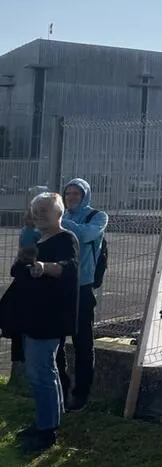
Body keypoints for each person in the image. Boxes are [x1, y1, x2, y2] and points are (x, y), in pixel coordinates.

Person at [20, 177, 107, 412]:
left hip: (82, 287)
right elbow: (29, 241)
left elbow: (86, 236)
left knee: (83, 343)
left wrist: (57, 220)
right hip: (56, 287)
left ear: (85, 195)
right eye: (67, 194)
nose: (71, 198)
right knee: (53, 342)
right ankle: (61, 390)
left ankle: (81, 394)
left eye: (76, 194)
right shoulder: (55, 219)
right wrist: (34, 222)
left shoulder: (97, 217)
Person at [10, 192, 79, 453]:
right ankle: (47, 421)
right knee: (40, 371)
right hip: (32, 315)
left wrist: (44, 267)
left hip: (49, 318)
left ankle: (47, 430)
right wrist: (26, 256)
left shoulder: (66, 238)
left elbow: (69, 267)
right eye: (35, 210)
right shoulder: (37, 239)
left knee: (41, 373)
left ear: (58, 214)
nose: (38, 215)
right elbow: (17, 270)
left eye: (44, 210)